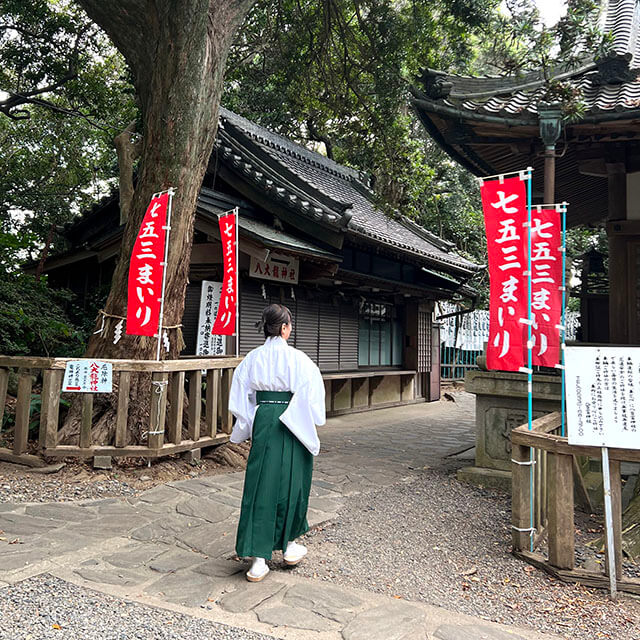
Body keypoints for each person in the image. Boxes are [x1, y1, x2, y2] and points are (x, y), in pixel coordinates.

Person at [229, 303, 326, 582]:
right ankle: (289, 545)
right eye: (289, 325)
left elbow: (241, 398)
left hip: (264, 419)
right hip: (294, 420)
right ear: (284, 328)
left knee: (261, 484)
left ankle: (258, 559)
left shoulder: (251, 359)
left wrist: (248, 423)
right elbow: (312, 398)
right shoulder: (299, 360)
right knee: (293, 483)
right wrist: (305, 420)